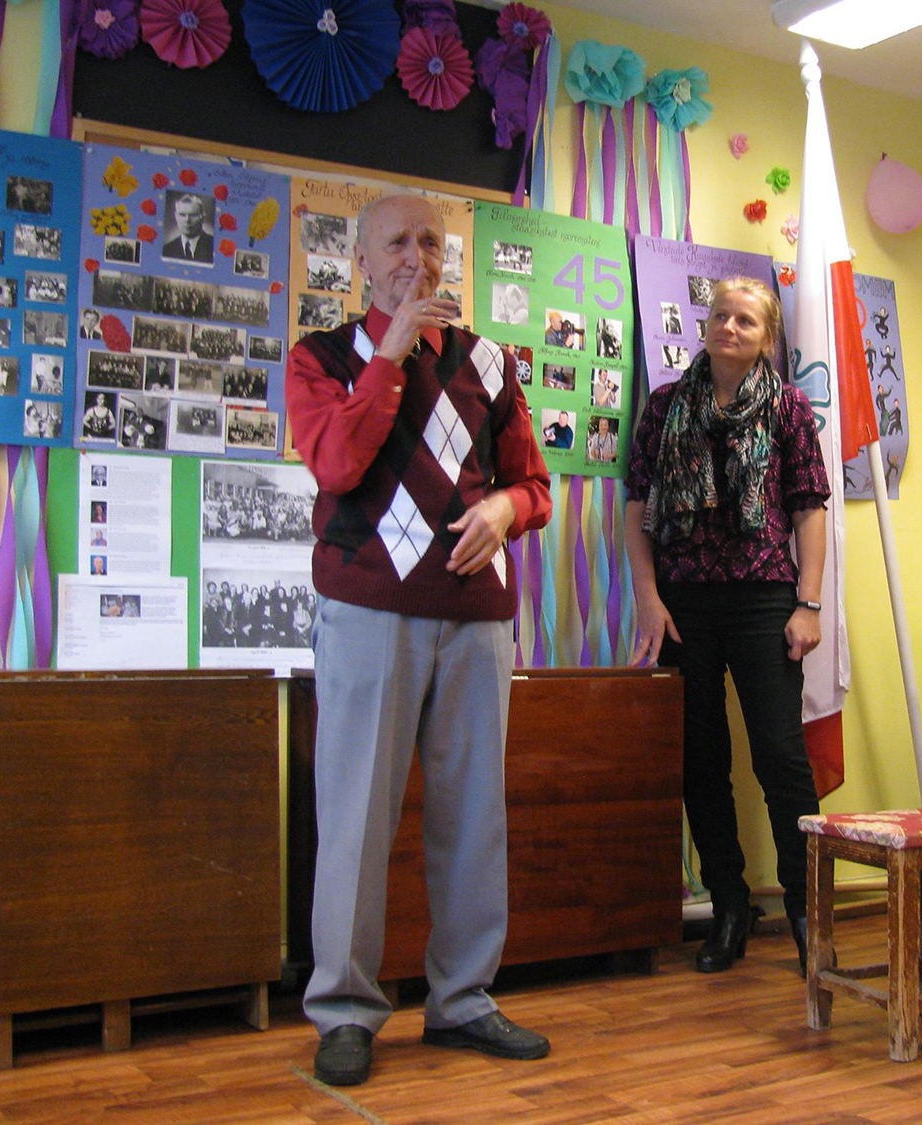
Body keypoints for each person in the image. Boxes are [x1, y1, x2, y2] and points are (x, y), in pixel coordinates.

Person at [285, 194, 552, 1088]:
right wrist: (391, 353)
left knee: (474, 816)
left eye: (431, 241)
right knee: (355, 816)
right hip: (367, 611)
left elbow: (534, 486)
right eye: (396, 241)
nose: (417, 256)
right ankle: (345, 1009)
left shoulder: (489, 361)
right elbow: (337, 462)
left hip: (476, 617)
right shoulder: (321, 357)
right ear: (361, 260)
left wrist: (507, 508)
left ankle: (464, 998)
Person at [625, 276, 829, 977]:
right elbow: (637, 508)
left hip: (765, 598)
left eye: (745, 319)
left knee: (781, 758)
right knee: (700, 759)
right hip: (683, 604)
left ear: (766, 336)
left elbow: (808, 509)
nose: (729, 327)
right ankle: (730, 907)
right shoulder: (665, 407)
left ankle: (807, 912)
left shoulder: (788, 408)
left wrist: (809, 604)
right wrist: (648, 598)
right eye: (720, 315)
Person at [162, 194, 213, 264]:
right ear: (176, 217)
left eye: (193, 215)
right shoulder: (167, 249)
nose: (187, 220)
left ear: (203, 218)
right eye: (182, 215)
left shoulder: (213, 246)